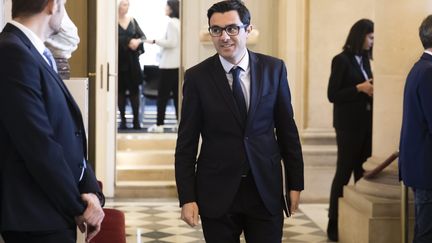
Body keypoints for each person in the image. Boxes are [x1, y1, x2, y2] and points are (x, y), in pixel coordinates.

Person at [174, 1, 304, 242]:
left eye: (232, 29)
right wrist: (187, 197)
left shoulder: (273, 69)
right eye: (217, 30)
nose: (224, 37)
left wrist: (295, 183)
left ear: (248, 29)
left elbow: (287, 130)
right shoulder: (197, 77)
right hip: (216, 191)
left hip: (265, 188)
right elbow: (186, 143)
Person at [0, 0, 105, 242]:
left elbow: (67, 134)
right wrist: (78, 207)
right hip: (36, 215)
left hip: (51, 211)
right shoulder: (12, 51)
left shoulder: (33, 51)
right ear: (51, 5)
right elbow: (38, 145)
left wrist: (90, 191)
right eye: (64, 5)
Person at [326, 18, 374, 242]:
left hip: (367, 125)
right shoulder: (341, 60)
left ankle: (354, 221)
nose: (373, 42)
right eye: (371, 37)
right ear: (360, 35)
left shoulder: (365, 60)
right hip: (348, 127)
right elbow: (333, 95)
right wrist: (360, 88)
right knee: (343, 173)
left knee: (362, 175)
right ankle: (333, 224)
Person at [399, 15, 432, 243]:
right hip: (427, 169)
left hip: (421, 167)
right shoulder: (428, 71)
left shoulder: (421, 67)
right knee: (426, 234)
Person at [146, 0, 180, 133]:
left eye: (167, 6)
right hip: (176, 65)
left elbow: (171, 43)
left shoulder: (171, 23)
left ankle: (159, 125)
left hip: (168, 65)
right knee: (177, 97)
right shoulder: (179, 23)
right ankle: (179, 123)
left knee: (162, 96)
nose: (165, 8)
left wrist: (155, 41)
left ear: (171, 8)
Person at [118, 0, 146, 129]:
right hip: (118, 62)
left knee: (135, 92)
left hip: (132, 63)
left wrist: (136, 41)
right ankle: (123, 120)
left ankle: (136, 121)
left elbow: (143, 37)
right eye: (124, 4)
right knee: (120, 92)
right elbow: (111, 39)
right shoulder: (112, 21)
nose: (126, 7)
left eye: (128, 5)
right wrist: (128, 40)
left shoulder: (133, 21)